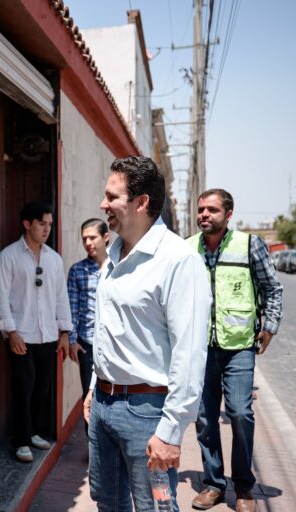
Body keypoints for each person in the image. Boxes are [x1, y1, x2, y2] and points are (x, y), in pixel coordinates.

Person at [83, 156, 212, 511]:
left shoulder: (179, 261)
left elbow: (189, 354)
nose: (102, 204)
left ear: (142, 203)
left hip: (148, 413)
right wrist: (96, 387)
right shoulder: (113, 254)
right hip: (104, 407)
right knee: (107, 502)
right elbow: (112, 329)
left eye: (112, 197)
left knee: (154, 506)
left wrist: (171, 431)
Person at [188, 189, 283, 512]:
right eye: (201, 209)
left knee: (241, 413)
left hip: (239, 346)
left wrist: (269, 325)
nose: (204, 215)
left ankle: (243, 487)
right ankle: (213, 484)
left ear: (228, 214)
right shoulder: (187, 249)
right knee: (203, 418)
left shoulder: (249, 245)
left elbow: (272, 287)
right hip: (200, 348)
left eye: (212, 210)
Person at [0, 201, 73, 463]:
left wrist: (64, 331)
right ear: (27, 224)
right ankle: (21, 440)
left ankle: (35, 431)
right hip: (22, 335)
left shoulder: (54, 259)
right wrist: (10, 331)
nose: (46, 229)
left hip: (47, 334)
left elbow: (62, 298)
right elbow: (0, 297)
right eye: (42, 223)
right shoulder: (8, 257)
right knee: (23, 386)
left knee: (42, 386)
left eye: (49, 224)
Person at [67, 218, 110, 411]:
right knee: (89, 398)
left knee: (114, 397)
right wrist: (72, 340)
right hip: (88, 346)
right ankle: (91, 441)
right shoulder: (77, 270)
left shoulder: (120, 267)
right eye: (84, 239)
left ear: (106, 237)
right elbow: (72, 309)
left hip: (115, 344)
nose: (88, 243)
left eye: (92, 238)